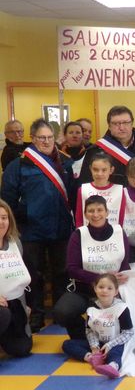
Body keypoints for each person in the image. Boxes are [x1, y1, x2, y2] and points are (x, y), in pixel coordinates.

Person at [1, 118, 75, 332]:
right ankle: (36, 315)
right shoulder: (19, 164)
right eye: (41, 138)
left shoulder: (65, 163)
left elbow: (73, 194)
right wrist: (24, 216)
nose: (46, 141)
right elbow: (7, 198)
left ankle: (62, 314)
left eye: (50, 137)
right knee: (34, 274)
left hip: (61, 227)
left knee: (62, 272)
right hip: (31, 230)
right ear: (32, 139)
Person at [54, 196, 129, 340]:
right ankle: (82, 337)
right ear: (85, 213)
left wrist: (114, 281)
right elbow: (72, 269)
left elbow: (125, 264)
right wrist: (101, 278)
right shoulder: (78, 235)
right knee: (62, 312)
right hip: (84, 291)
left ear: (107, 212)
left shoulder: (119, 232)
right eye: (91, 211)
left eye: (100, 210)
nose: (95, 214)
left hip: (113, 291)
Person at [61, 273, 133, 379]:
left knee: (116, 353)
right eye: (101, 287)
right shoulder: (91, 308)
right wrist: (94, 347)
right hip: (99, 342)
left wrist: (110, 345)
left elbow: (128, 332)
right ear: (95, 288)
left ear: (116, 292)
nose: (104, 291)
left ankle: (113, 366)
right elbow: (90, 330)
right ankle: (92, 358)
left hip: (115, 342)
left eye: (109, 288)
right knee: (67, 344)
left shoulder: (121, 308)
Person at [79, 106, 135, 186]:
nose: (122, 127)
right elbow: (85, 184)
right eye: (116, 123)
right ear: (109, 126)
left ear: (132, 124)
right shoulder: (96, 151)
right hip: (109, 199)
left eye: (126, 123)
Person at [0, 199, 32, 357]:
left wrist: (26, 306)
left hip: (13, 301)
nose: (1, 222)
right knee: (3, 314)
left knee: (22, 349)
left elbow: (21, 277)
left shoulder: (15, 243)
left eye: (4, 217)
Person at [75, 153, 125, 228]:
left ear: (111, 170)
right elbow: (79, 218)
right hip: (88, 235)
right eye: (95, 170)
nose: (99, 174)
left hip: (113, 236)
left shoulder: (119, 190)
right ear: (90, 169)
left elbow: (122, 218)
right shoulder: (83, 190)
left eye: (104, 170)